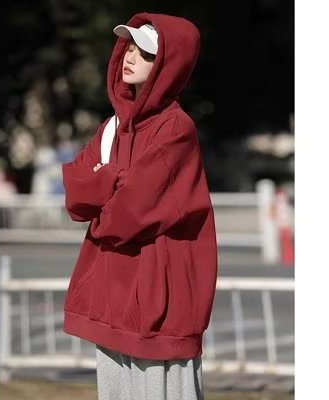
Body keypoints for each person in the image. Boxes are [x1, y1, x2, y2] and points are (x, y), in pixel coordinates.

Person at [62, 12, 218, 400]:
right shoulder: (111, 127)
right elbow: (77, 197)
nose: (130, 57)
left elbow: (131, 211)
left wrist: (104, 187)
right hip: (112, 292)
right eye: (129, 48)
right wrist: (112, 182)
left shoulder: (175, 128)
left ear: (169, 64)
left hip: (158, 297)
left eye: (146, 53)